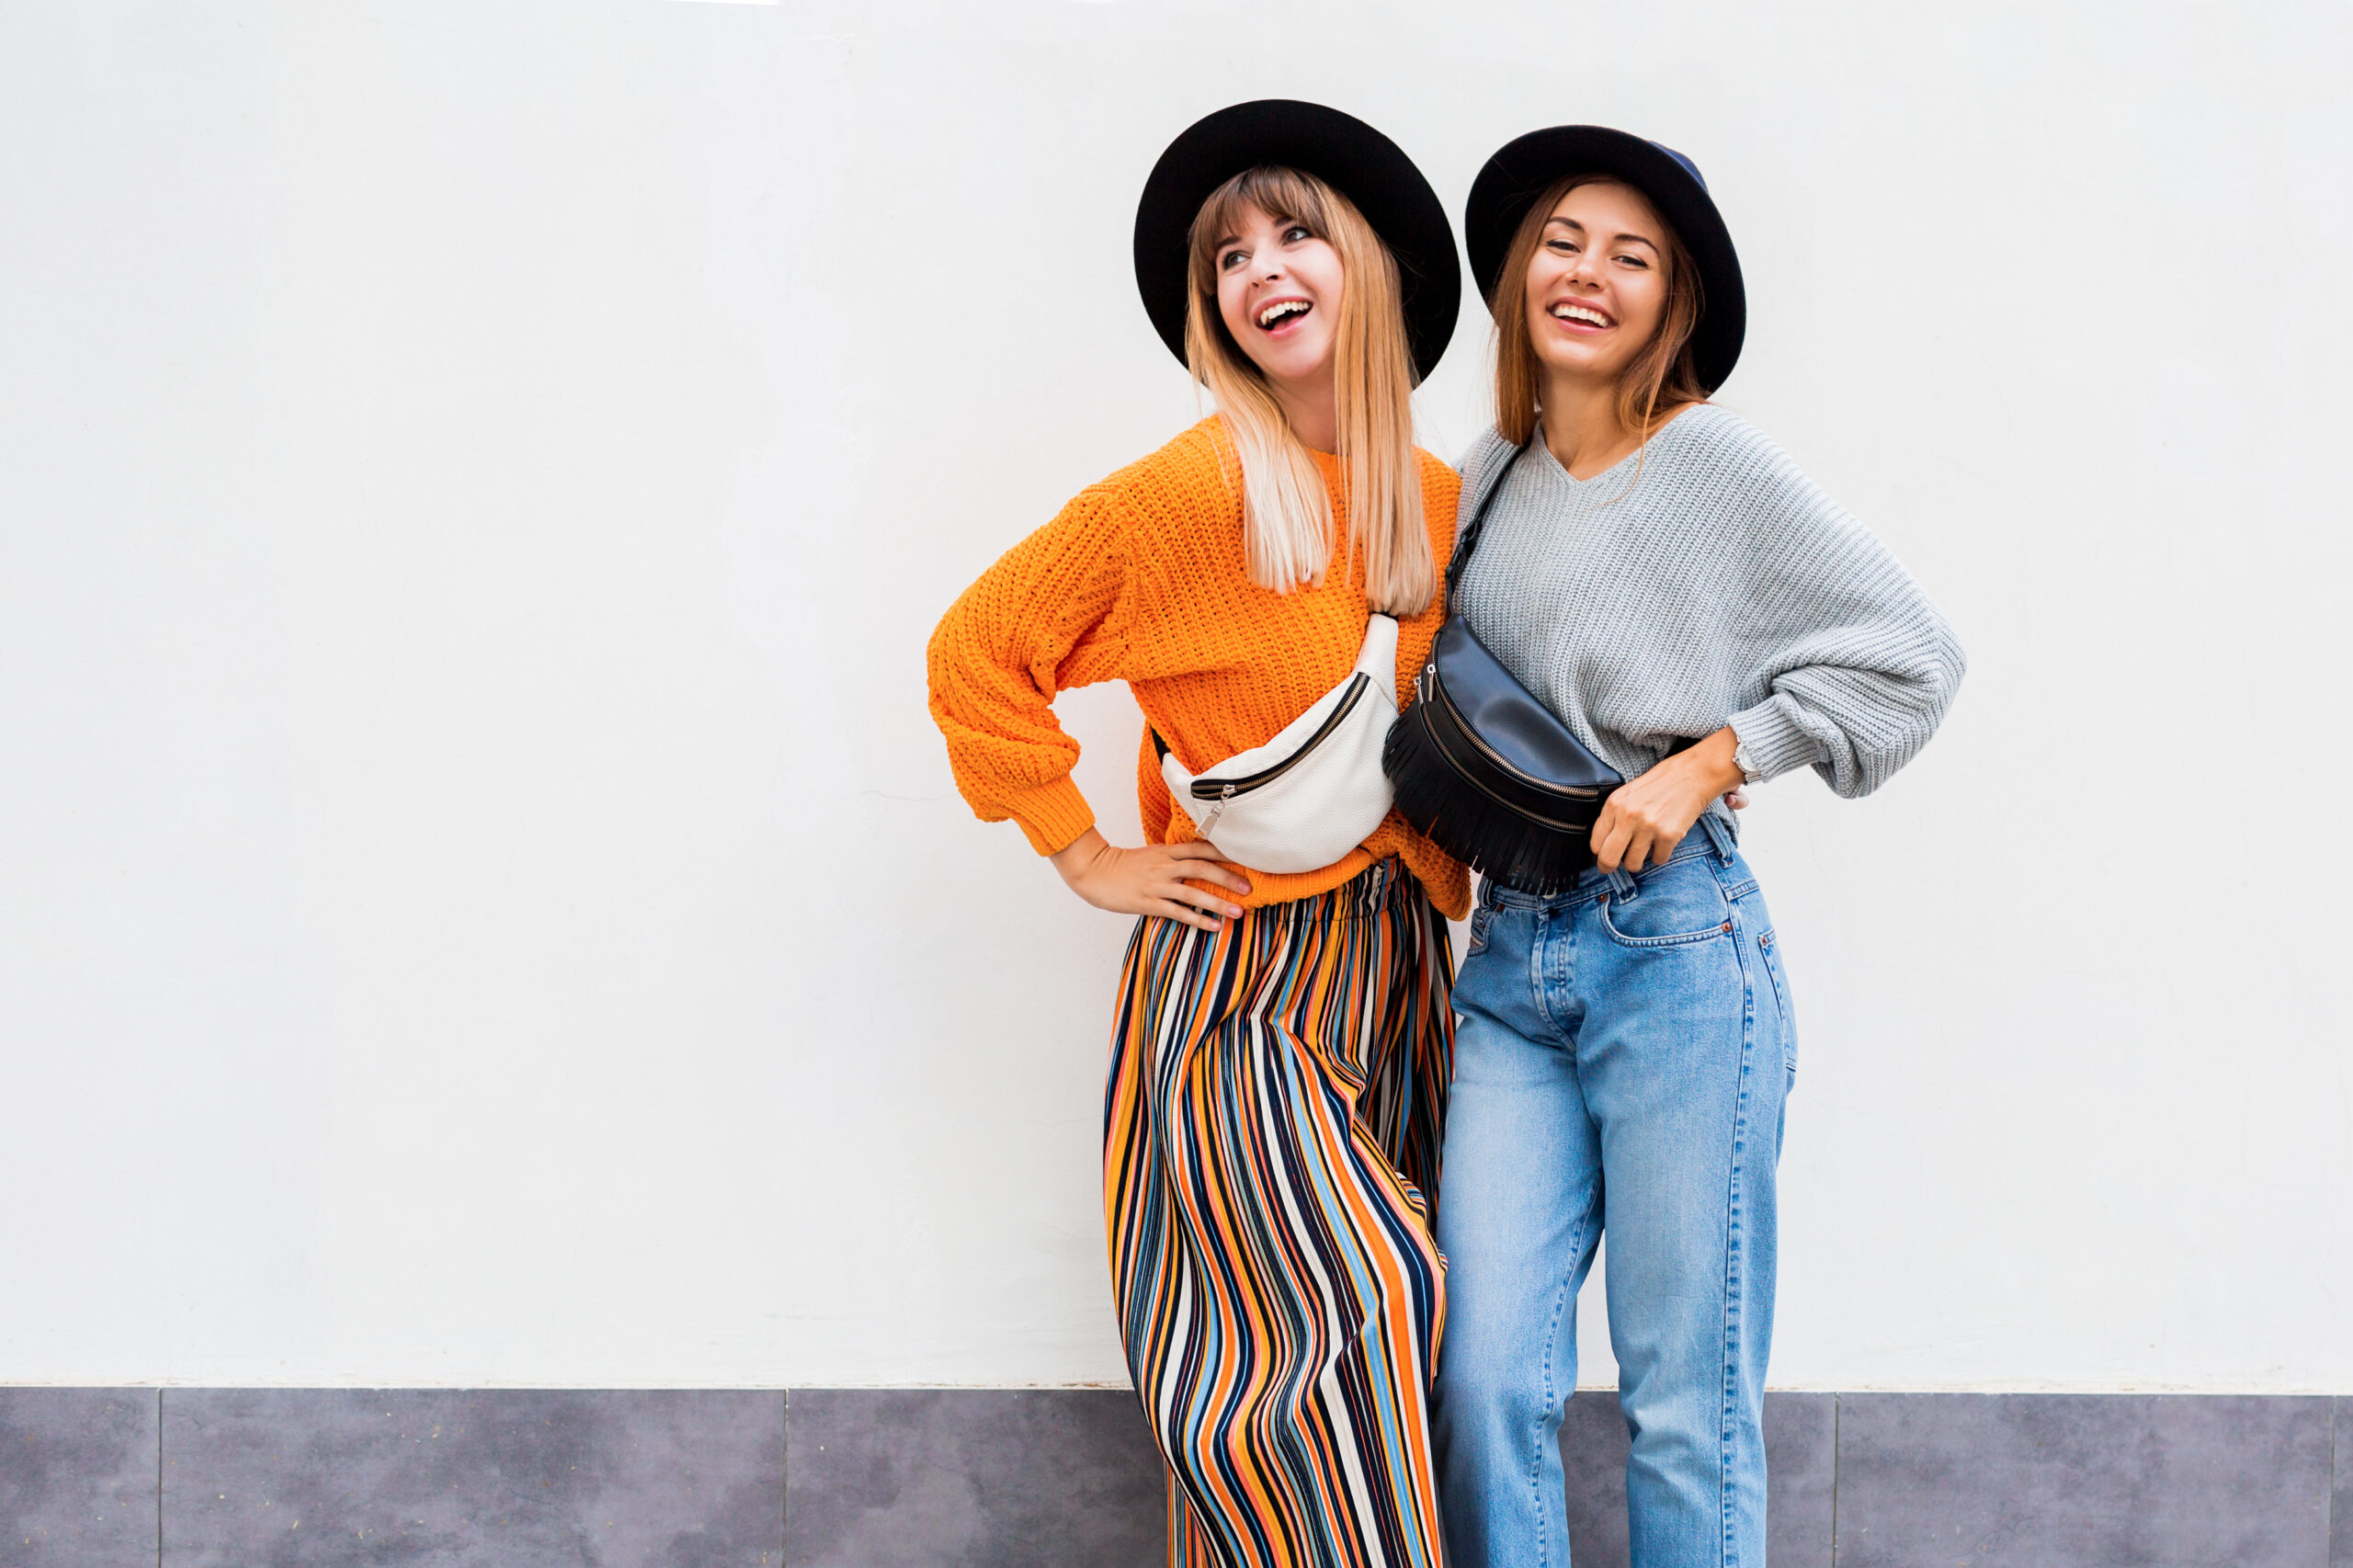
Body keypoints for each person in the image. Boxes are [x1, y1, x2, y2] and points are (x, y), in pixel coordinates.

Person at [926, 100, 1471, 1568]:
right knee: (1341, 1314)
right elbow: (978, 649)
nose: (1260, 267)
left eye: (1296, 233)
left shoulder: (1434, 502)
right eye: (1228, 254)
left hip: (1404, 972)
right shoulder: (1184, 496)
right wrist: (1085, 848)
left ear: (1369, 266)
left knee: (1379, 1361)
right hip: (1243, 980)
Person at [1427, 127, 1965, 1567]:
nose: (1587, 274)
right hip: (1511, 960)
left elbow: (1911, 654)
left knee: (1687, 1403)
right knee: (1476, 1376)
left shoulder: (1714, 460)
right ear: (1516, 270)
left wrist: (1721, 757)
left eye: (1632, 256)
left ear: (1675, 306)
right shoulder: (1485, 473)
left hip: (1676, 953)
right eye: (1562, 240)